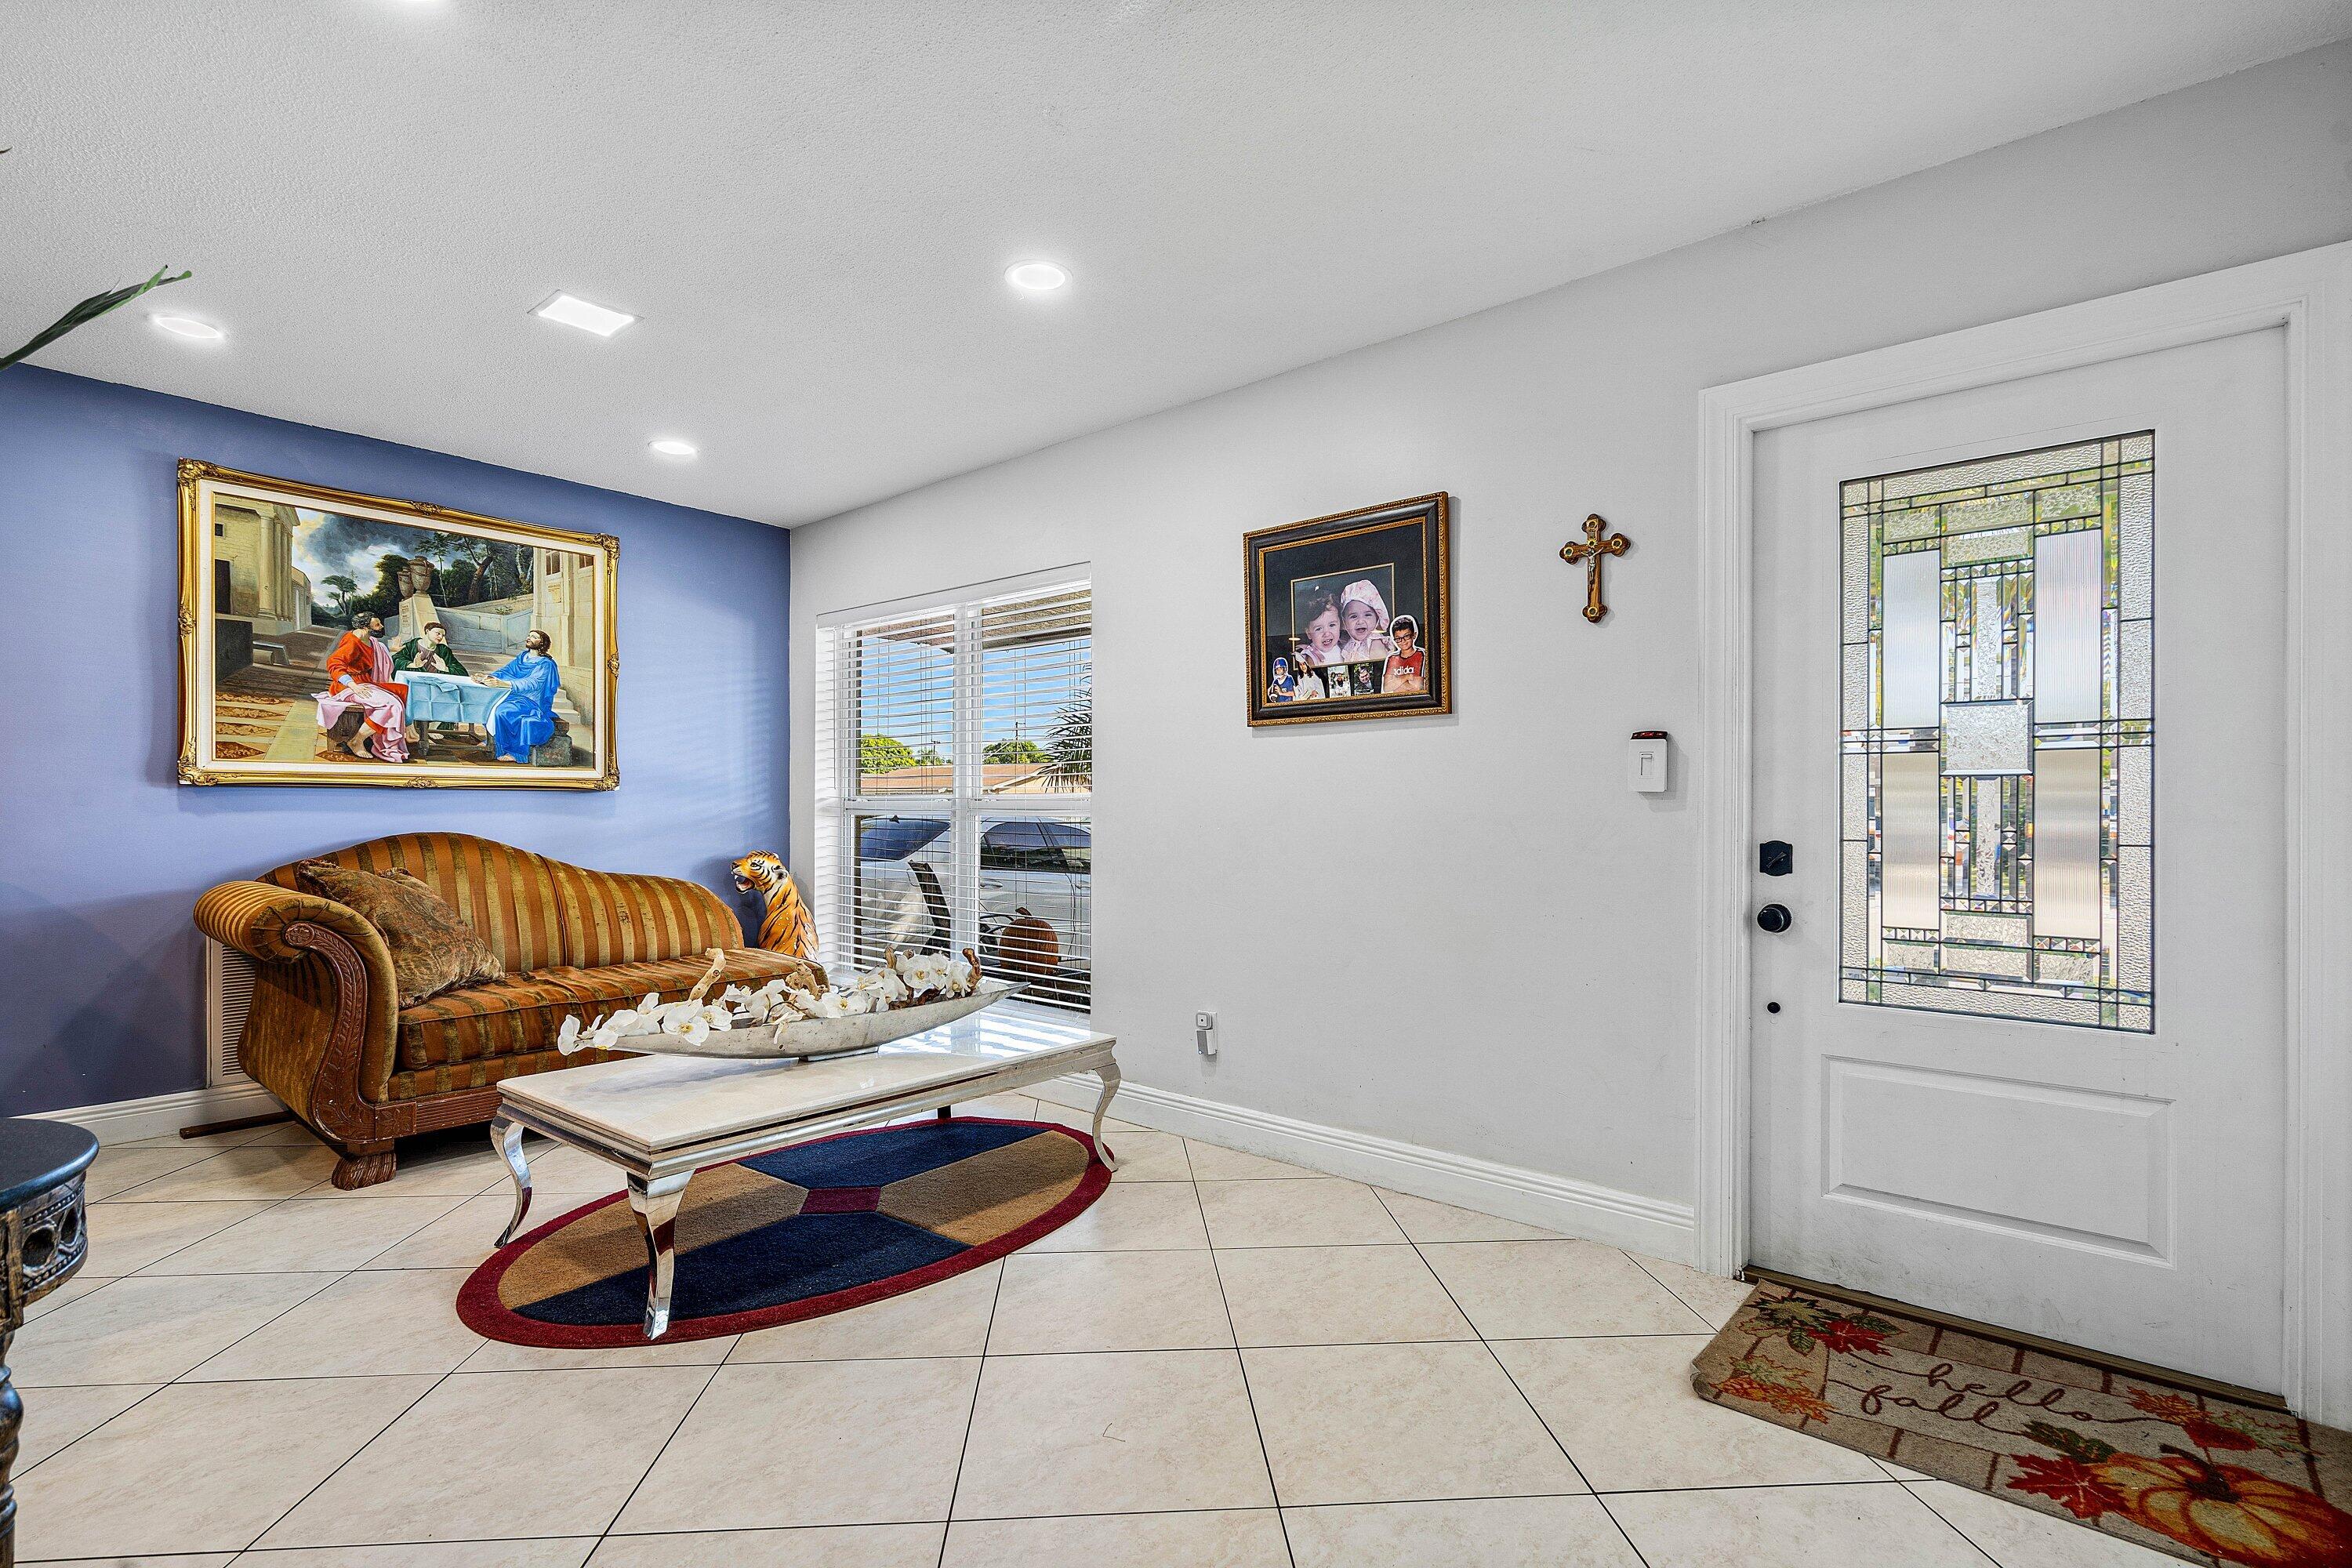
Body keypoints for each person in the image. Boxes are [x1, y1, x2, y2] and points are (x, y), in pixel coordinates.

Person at [316, 614, 409, 762]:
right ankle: (357, 740)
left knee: (402, 691)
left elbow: (379, 658)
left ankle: (407, 732)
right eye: (377, 625)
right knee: (391, 704)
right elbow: (334, 664)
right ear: (365, 627)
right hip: (348, 687)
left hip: (365, 682)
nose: (381, 627)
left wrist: (392, 651)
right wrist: (352, 685)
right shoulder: (352, 642)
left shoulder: (370, 640)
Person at [393, 622, 484, 750]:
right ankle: (412, 731)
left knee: (453, 696)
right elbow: (396, 661)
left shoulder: (443, 650)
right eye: (438, 633)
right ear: (427, 631)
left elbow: (461, 671)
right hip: (416, 686)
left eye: (443, 635)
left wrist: (446, 668)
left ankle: (433, 728)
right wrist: (412, 665)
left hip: (438, 686)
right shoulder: (411, 646)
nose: (440, 637)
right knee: (411, 698)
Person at [481, 628, 563, 763]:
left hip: (532, 701)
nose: (529, 638)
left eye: (534, 637)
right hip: (513, 696)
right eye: (529, 635)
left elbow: (533, 683)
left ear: (543, 643)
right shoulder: (522, 657)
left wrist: (505, 683)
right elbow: (506, 670)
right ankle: (494, 743)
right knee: (488, 706)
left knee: (503, 712)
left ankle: (516, 752)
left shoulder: (546, 664)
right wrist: (488, 677)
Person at [1336, 579, 1397, 662]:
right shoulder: (1349, 643)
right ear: (1344, 622)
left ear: (1377, 618)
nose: (1360, 621)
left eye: (1367, 615)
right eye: (1354, 616)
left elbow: (1380, 669)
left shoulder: (1375, 643)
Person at [1295, 593, 1343, 667]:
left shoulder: (1343, 645)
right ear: (1308, 633)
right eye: (1319, 629)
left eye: (1332, 625)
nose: (1327, 634)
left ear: (1340, 625)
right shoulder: (1312, 658)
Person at [1384, 615, 1428, 694]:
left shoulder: (1421, 654)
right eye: (1398, 639)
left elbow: (1417, 687)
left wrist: (1396, 681)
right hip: (1397, 702)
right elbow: (1387, 688)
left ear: (1413, 635)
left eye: (1406, 636)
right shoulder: (1392, 658)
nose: (1403, 641)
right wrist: (1406, 677)